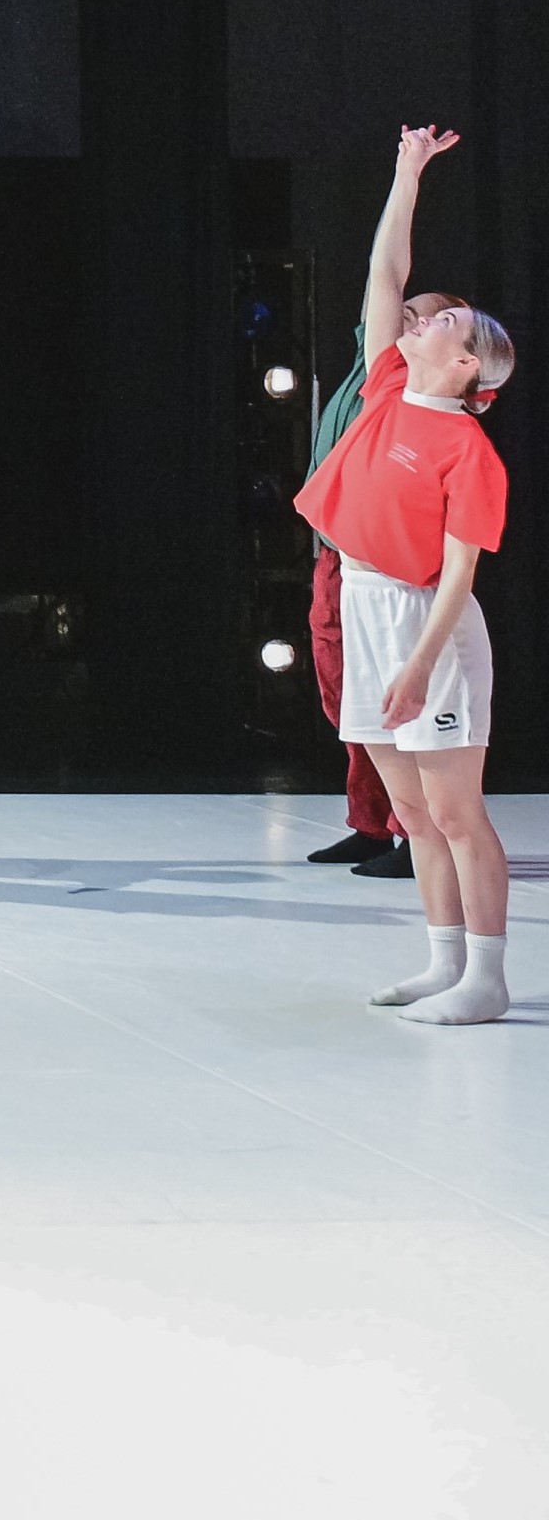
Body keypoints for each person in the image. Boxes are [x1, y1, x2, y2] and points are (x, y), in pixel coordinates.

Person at [295, 126, 515, 1024]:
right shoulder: (387, 385)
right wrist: (405, 172)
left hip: (430, 625)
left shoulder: (470, 449)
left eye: (447, 324)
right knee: (411, 812)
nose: (423, 320)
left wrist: (420, 666)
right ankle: (441, 961)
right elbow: (387, 275)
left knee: (457, 812)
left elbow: (459, 577)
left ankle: (488, 978)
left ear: (468, 366)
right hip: (365, 601)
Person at [298, 292, 460, 881]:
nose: (410, 320)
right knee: (348, 702)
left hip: (383, 573)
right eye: (407, 311)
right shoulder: (367, 374)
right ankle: (371, 823)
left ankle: (413, 835)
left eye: (431, 317)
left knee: (393, 707)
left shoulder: (398, 384)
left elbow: (386, 272)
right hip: (334, 560)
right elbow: (379, 284)